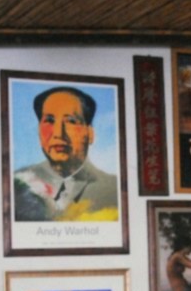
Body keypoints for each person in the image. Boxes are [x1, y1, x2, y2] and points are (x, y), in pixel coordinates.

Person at [13, 86, 118, 222]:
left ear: (90, 134)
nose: (58, 133)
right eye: (49, 121)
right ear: (39, 130)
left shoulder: (114, 188)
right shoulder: (17, 183)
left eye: (71, 121)